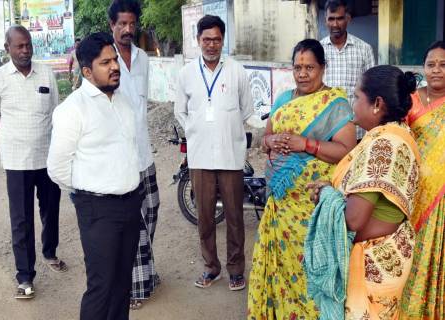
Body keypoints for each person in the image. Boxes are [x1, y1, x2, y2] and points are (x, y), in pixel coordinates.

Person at [247, 39, 356, 319]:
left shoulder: (335, 104)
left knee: (309, 266)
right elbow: (265, 139)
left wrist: (306, 144)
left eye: (310, 67)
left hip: (313, 208)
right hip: (281, 205)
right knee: (282, 266)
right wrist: (272, 140)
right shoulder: (284, 99)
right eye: (298, 67)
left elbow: (346, 151)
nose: (303, 74)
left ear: (323, 68)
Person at [309, 65, 420, 319]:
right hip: (388, 258)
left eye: (357, 97)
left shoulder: (383, 145)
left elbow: (353, 219)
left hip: (371, 267)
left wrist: (326, 197)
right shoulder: (399, 134)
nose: (353, 104)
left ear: (377, 103)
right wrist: (331, 189)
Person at [47, 32, 142, 320]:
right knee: (101, 286)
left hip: (130, 204)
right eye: (105, 62)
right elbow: (57, 167)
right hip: (98, 209)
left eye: (114, 59)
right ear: (88, 71)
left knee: (123, 283)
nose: (114, 66)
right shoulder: (72, 110)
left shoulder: (123, 101)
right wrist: (85, 195)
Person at [174, 14, 253, 291]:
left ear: (223, 41)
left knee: (234, 216)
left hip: (231, 155)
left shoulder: (236, 71)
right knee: (205, 216)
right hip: (200, 156)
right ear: (198, 41)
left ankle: (236, 269)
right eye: (206, 39)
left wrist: (224, 126)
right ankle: (211, 268)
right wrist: (197, 130)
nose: (211, 44)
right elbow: (180, 111)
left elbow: (246, 109)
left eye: (217, 39)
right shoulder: (186, 74)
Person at [0, 25, 66, 299]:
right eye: (19, 46)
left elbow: (56, 113)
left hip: (47, 156)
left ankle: (50, 252)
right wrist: (15, 137)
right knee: (21, 219)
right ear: (7, 49)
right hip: (16, 160)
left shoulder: (46, 72)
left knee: (51, 209)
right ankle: (25, 277)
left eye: (28, 45)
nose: (25, 50)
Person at [108, 0, 160, 310]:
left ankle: (144, 268)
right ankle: (135, 285)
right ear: (111, 25)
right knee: (133, 222)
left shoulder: (142, 58)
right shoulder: (105, 59)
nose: (128, 29)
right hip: (119, 157)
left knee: (152, 210)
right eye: (122, 24)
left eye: (132, 24)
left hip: (144, 152)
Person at [401, 41, 445, 320]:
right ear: (423, 68)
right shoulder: (410, 100)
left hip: (442, 198)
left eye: (443, 64)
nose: (437, 70)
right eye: (431, 64)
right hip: (414, 195)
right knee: (412, 254)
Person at [320, 0, 375, 141]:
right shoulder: (318, 50)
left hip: (356, 128)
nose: (335, 24)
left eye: (339, 18)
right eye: (331, 19)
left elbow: (371, 90)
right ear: (325, 21)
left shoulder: (364, 49)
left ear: (348, 19)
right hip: (325, 128)